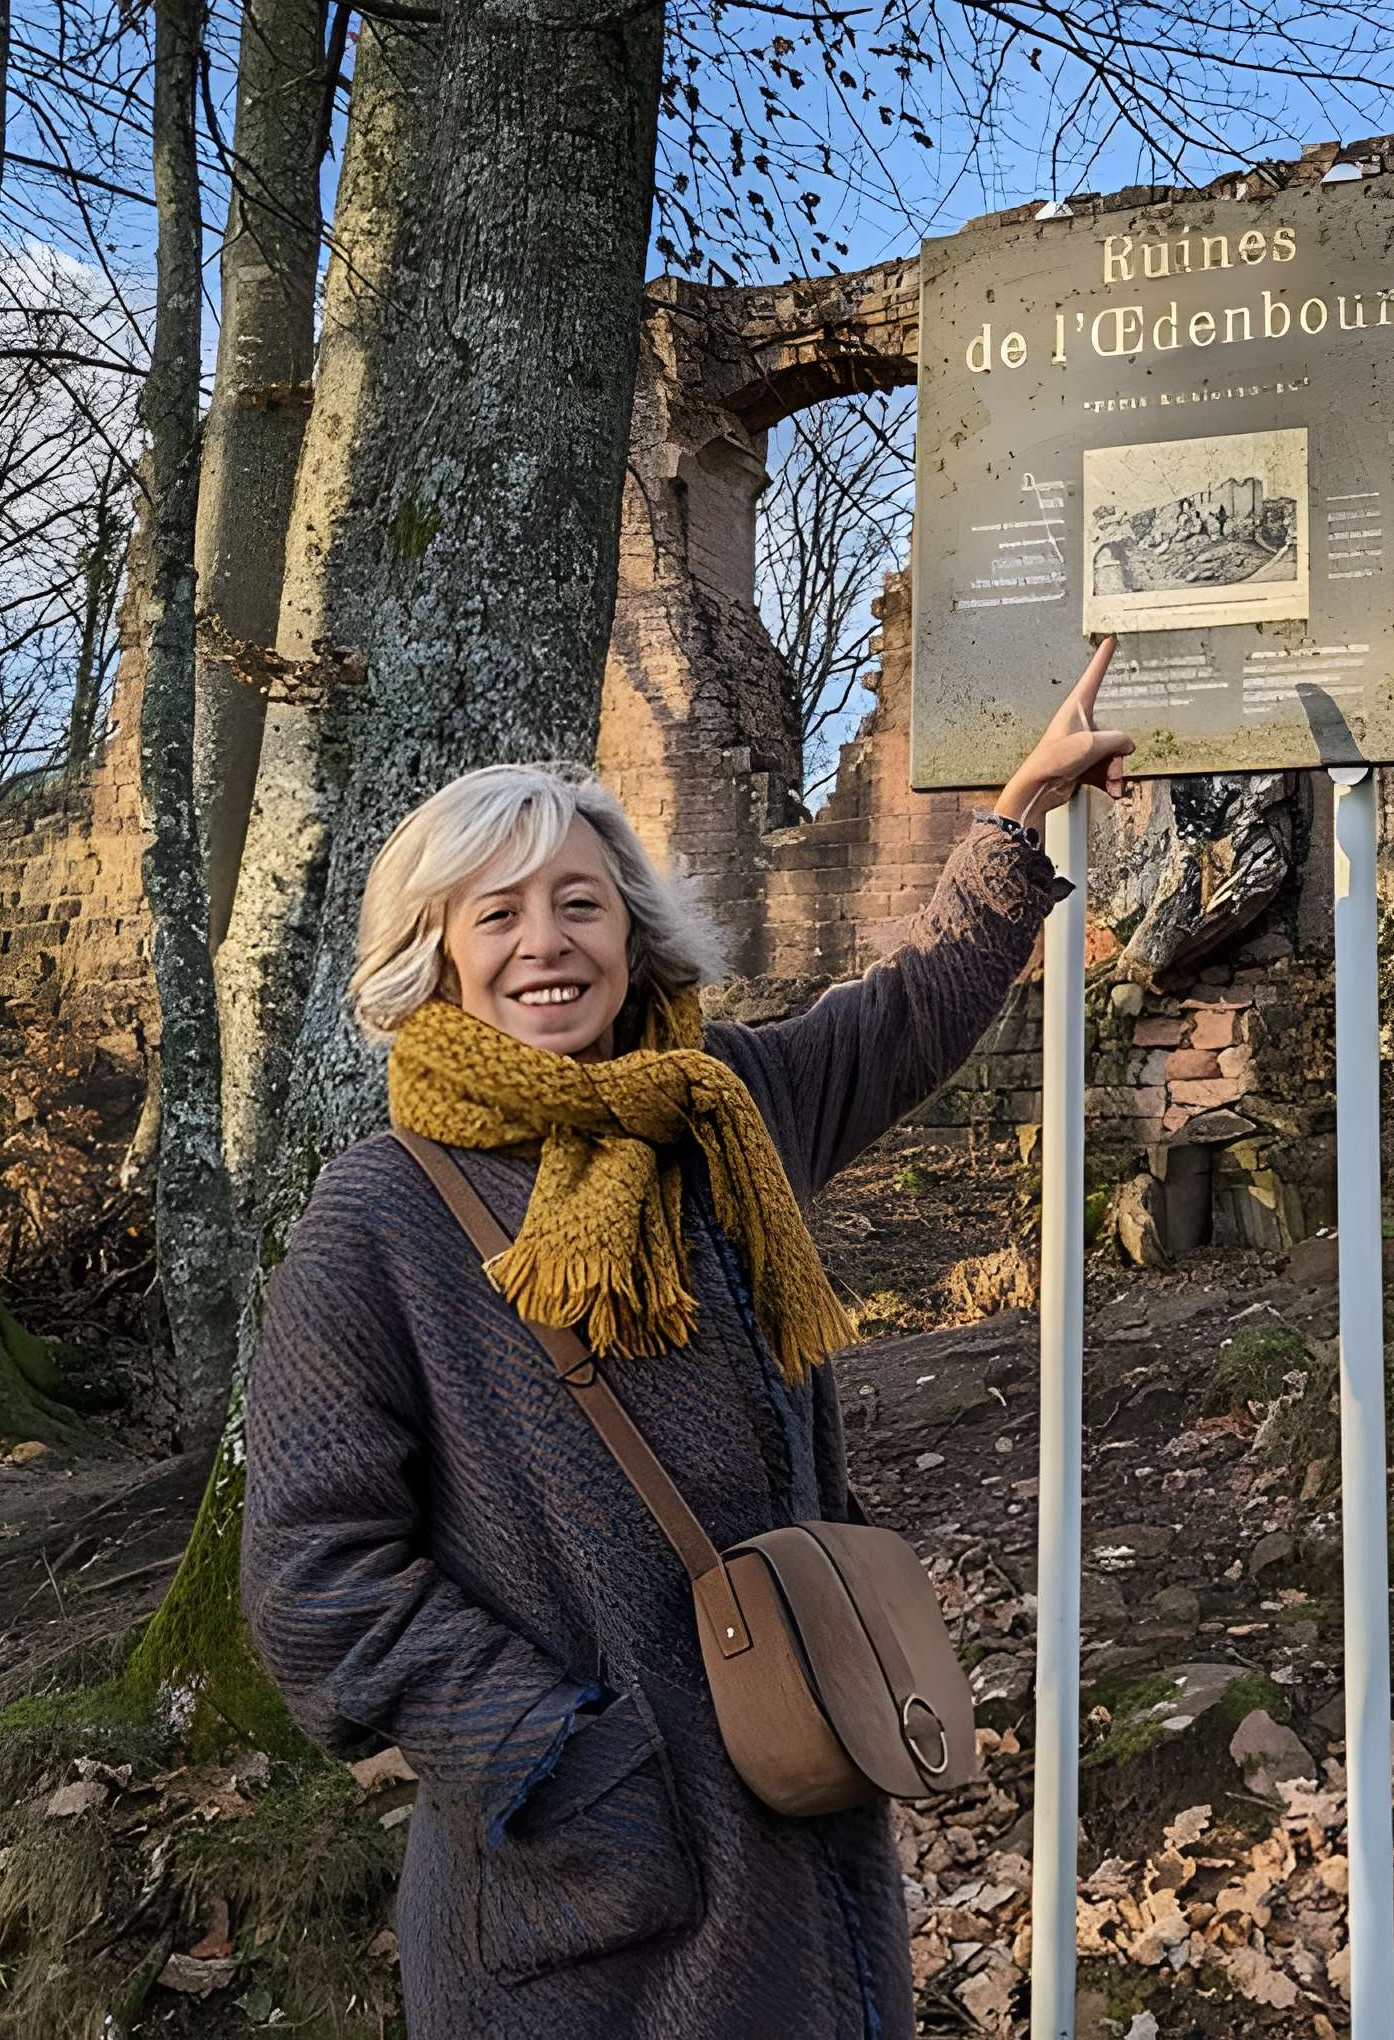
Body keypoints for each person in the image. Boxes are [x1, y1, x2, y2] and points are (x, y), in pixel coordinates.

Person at [238, 644, 1134, 2038]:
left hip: (798, 1788)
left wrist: (1015, 815)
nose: (548, 943)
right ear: (439, 956)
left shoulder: (721, 1111)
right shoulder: (379, 1216)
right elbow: (314, 1581)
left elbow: (907, 1014)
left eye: (580, 904)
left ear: (633, 933)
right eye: (500, 915)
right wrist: (556, 1758)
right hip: (580, 1891)